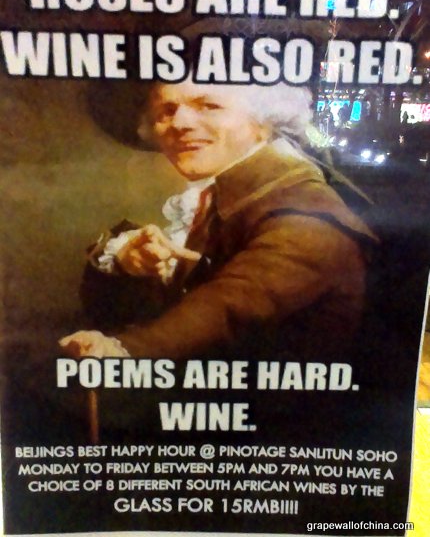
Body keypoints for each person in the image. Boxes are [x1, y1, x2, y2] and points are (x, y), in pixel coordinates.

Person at [60, 78, 376, 361]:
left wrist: (123, 350)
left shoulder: (304, 218)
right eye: (166, 110)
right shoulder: (225, 195)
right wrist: (128, 264)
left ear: (264, 123)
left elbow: (228, 308)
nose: (179, 123)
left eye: (209, 106)